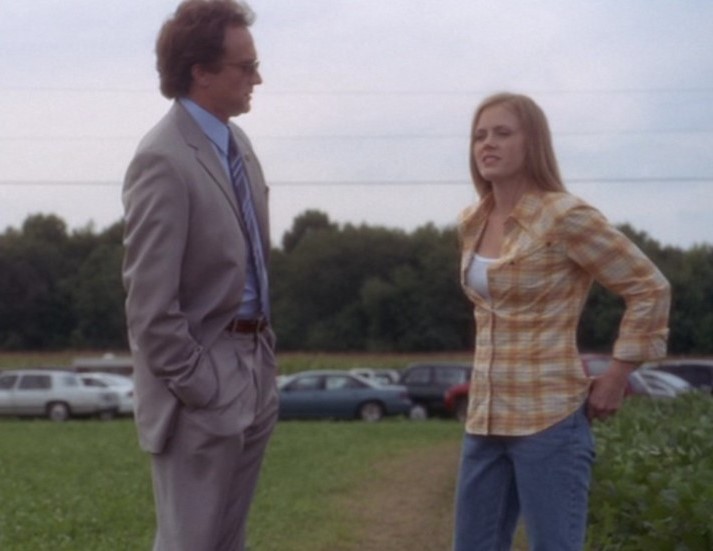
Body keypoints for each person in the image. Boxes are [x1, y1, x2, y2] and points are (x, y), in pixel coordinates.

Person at [452, 92, 670, 551]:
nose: (487, 144)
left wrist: (617, 374)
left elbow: (649, 287)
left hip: (548, 419)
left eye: (502, 133)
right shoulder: (473, 220)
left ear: (532, 142)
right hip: (485, 419)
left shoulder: (565, 217)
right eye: (479, 135)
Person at [121, 1, 277, 549]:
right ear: (201, 72)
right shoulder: (162, 159)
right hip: (203, 385)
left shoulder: (239, 146)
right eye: (246, 66)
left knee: (228, 541)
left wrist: (259, 359)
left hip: (254, 366)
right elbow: (149, 306)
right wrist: (200, 383)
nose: (257, 78)